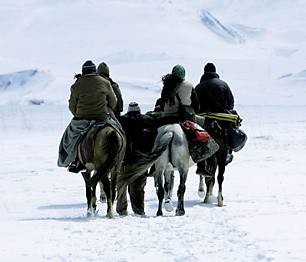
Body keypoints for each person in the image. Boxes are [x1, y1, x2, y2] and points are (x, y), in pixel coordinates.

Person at [57, 60, 118, 173]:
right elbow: (113, 102)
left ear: (83, 71)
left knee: (69, 138)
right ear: (95, 71)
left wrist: (79, 114)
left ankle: (74, 160)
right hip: (102, 117)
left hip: (82, 119)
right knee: (120, 131)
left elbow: (72, 106)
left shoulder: (76, 85)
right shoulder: (105, 82)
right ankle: (123, 156)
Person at [116, 102, 157, 216]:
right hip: (141, 160)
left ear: (128, 110)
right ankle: (139, 210)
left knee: (121, 186)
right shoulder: (149, 121)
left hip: (124, 159)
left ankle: (121, 210)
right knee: (138, 188)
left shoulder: (120, 121)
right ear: (139, 110)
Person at [195, 62, 235, 170]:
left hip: (204, 117)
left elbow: (194, 104)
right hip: (223, 116)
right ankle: (228, 151)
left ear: (204, 72)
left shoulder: (199, 86)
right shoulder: (223, 84)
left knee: (196, 135)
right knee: (230, 130)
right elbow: (231, 102)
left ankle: (199, 160)